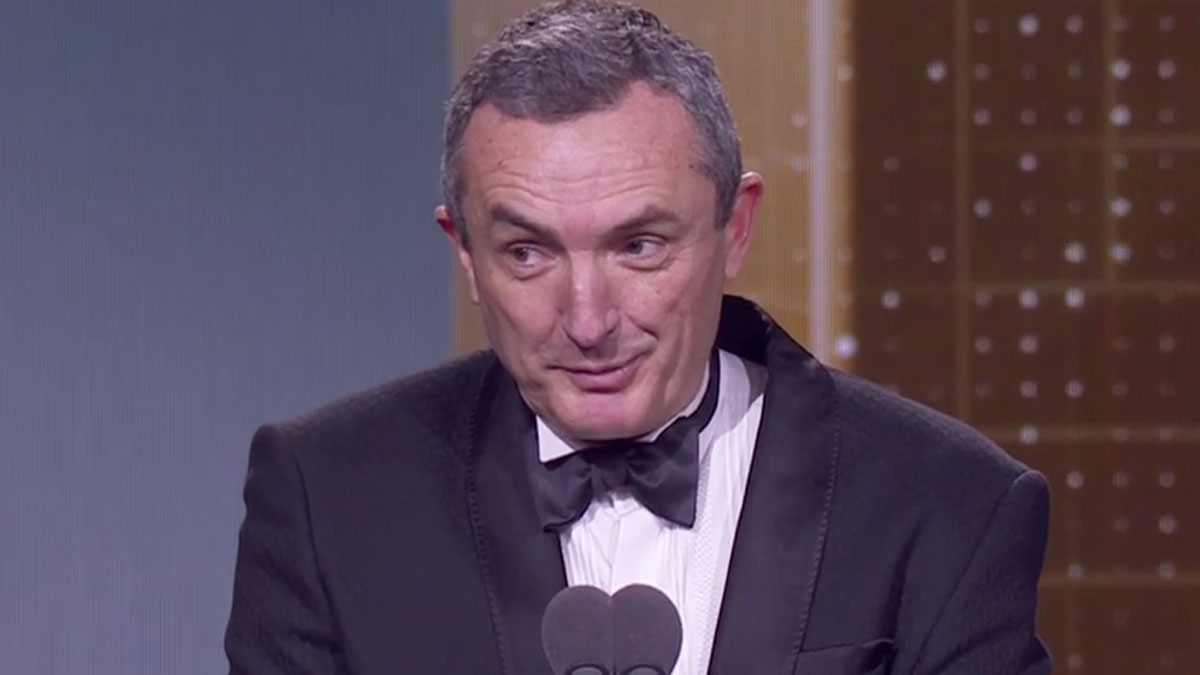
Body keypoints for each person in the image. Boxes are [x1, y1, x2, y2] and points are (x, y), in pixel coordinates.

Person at [224, 1, 1051, 673]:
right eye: (527, 252)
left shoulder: (946, 505)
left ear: (735, 225)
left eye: (639, 246)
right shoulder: (329, 500)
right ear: (465, 254)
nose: (588, 321)